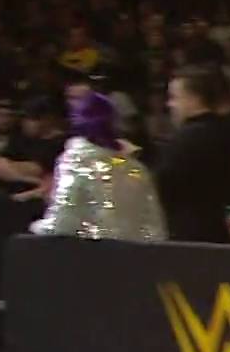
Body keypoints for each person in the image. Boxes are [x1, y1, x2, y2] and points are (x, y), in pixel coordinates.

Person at [30, 91, 166, 241]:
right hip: (135, 253)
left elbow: (62, 223)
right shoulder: (137, 168)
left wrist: (35, 227)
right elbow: (155, 230)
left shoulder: (76, 161)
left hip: (91, 253)